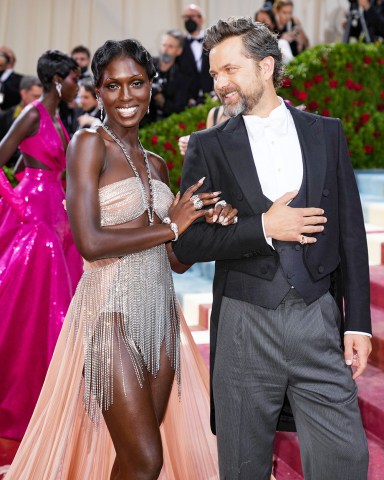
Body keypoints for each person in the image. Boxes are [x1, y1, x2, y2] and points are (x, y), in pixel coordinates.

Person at [4, 38, 238, 480]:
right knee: (148, 458)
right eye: (113, 86)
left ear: (152, 87)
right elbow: (89, 241)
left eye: (137, 83)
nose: (126, 96)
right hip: (108, 315)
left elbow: (175, 260)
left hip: (161, 318)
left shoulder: (157, 165)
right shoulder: (88, 144)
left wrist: (205, 225)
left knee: (136, 459)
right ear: (99, 90)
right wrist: (171, 224)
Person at [173, 17, 372, 480]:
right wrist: (264, 226)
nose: (220, 83)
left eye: (230, 70)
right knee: (243, 466)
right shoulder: (207, 146)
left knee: (346, 460)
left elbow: (350, 234)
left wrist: (357, 323)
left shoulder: (327, 132)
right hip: (244, 324)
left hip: (317, 318)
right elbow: (190, 240)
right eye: (214, 74)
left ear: (265, 66)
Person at [0, 50, 83, 443]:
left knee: (51, 311)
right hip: (36, 220)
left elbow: (42, 166)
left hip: (56, 217)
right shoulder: (33, 112)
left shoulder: (57, 119)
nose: (77, 86)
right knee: (29, 310)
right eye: (74, 78)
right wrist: (17, 202)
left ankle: (45, 401)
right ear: (56, 80)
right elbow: (3, 158)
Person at [142, 29, 190, 124]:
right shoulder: (146, 66)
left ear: (179, 51)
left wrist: (158, 97)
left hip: (167, 126)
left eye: (170, 46)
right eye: (164, 45)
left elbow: (178, 109)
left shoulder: (182, 76)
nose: (165, 50)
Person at [0, 75, 42, 168]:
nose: (39, 101)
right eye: (35, 96)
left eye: (41, 97)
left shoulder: (45, 118)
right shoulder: (4, 118)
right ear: (23, 94)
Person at [177, 4, 214, 105]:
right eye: (186, 17)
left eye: (192, 16)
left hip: (212, 95)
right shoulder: (179, 44)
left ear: (201, 19)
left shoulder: (212, 41)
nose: (188, 20)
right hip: (189, 100)